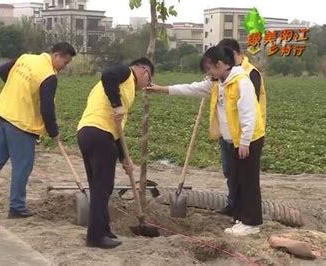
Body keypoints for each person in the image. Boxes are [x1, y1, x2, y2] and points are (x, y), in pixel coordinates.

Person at [148, 46, 265, 235]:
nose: (208, 73)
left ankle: (251, 224)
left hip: (248, 140)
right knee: (236, 180)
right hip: (232, 140)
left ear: (220, 64)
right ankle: (241, 217)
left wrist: (244, 142)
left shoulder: (241, 82)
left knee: (248, 181)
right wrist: (163, 89)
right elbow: (191, 89)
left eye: (209, 68)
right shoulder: (219, 83)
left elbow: (249, 113)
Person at [0, 42, 76, 219]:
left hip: (4, 113)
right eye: (65, 63)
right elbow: (47, 108)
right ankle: (17, 207)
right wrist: (54, 132)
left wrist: (17, 88)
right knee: (22, 166)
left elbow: (3, 70)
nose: (64, 68)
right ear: (56, 55)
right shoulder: (48, 76)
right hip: (22, 123)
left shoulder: (26, 58)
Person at [77, 57, 154, 248]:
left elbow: (118, 130)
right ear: (144, 71)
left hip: (91, 132)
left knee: (99, 186)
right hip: (98, 132)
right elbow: (108, 74)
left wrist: (124, 158)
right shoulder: (126, 74)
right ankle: (95, 237)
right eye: (149, 80)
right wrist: (117, 104)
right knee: (102, 188)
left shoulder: (127, 89)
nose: (147, 85)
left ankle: (103, 229)